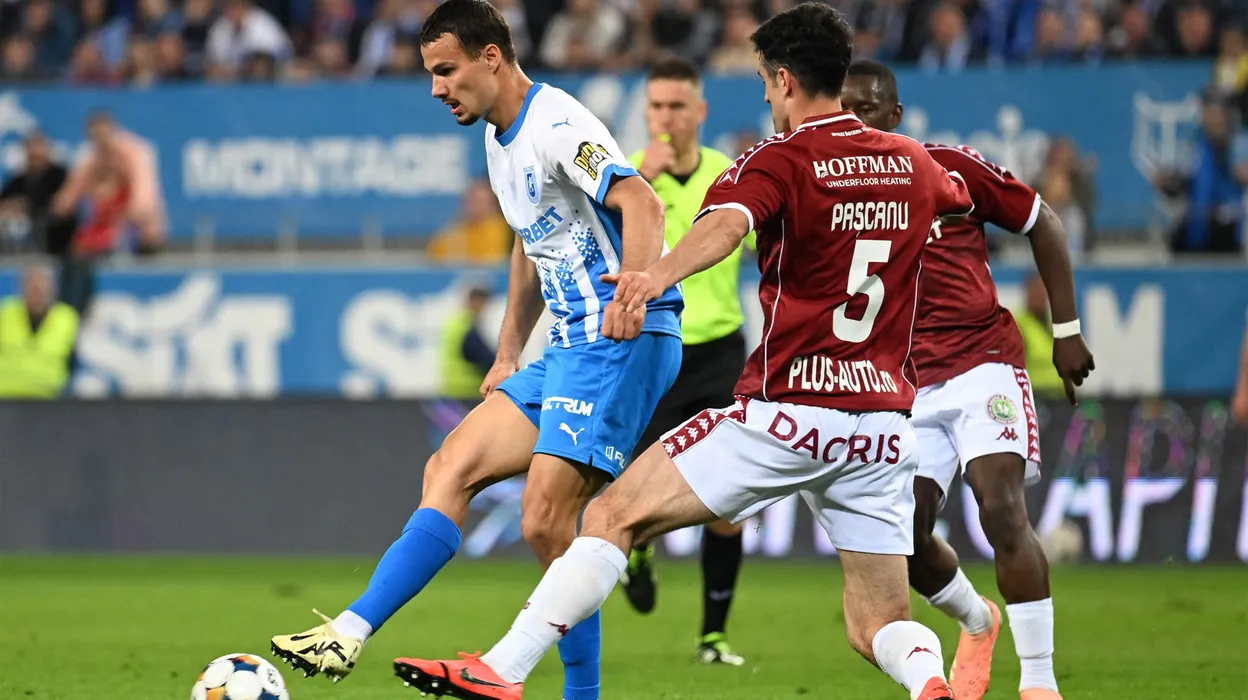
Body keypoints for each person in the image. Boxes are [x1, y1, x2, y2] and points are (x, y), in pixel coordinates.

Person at [393, 5, 975, 699]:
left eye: (764, 82)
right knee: (878, 621)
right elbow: (959, 200)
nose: (766, 98)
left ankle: (503, 669)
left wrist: (651, 276)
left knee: (609, 516)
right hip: (882, 429)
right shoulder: (913, 162)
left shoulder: (778, 159)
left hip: (790, 412)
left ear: (785, 81)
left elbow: (724, 229)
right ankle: (930, 682)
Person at [269, 3, 684, 700]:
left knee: (545, 520)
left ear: (491, 57)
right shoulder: (498, 138)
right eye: (431, 74)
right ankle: (347, 631)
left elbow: (642, 203)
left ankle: (578, 693)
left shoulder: (558, 125)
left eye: (446, 70)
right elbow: (531, 241)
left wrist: (634, 294)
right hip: (568, 345)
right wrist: (508, 349)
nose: (437, 88)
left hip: (621, 338)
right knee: (451, 464)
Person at [841, 59, 1096, 700]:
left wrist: (1066, 331)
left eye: (866, 108)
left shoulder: (950, 168)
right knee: (904, 540)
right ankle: (978, 621)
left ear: (895, 115)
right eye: (842, 109)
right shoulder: (831, 197)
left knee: (1000, 508)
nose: (854, 121)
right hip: (902, 384)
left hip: (983, 363)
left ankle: (1039, 683)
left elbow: (1043, 221)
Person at [617, 55, 751, 666]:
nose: (666, 117)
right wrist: (639, 184)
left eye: (677, 105)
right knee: (627, 487)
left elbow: (767, 246)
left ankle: (713, 637)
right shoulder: (625, 178)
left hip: (719, 353)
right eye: (657, 106)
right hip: (651, 350)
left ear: (700, 111)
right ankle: (639, 550)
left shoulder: (731, 175)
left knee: (728, 500)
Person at [0, 262, 80, 399]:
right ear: (22, 289)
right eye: (32, 289)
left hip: (49, 397)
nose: (37, 295)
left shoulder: (66, 318)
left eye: (41, 291)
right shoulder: (6, 313)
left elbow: (73, 360)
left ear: (53, 290)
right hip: (6, 396)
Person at [1013, 273, 1066, 401]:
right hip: (1035, 396)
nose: (1041, 294)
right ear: (1027, 292)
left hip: (1060, 396)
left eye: (1043, 289)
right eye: (1036, 289)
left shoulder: (1054, 324)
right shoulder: (1019, 325)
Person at [440, 285, 496, 401]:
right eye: (483, 302)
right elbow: (483, 358)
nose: (484, 308)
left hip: (453, 389)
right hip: (467, 391)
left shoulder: (456, 323)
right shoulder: (466, 326)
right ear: (473, 301)